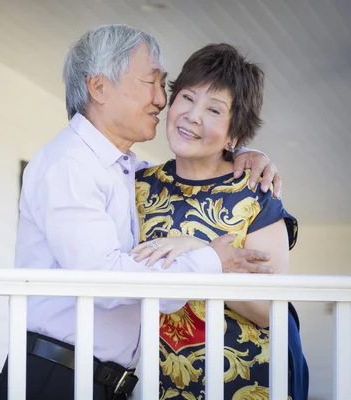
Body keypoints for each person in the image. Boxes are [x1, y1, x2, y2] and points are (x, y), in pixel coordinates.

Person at [0, 25, 282, 400]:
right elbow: (105, 279)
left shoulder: (129, 171)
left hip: (123, 382)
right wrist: (209, 258)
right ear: (99, 88)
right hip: (61, 376)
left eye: (163, 85)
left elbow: (273, 306)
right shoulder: (70, 165)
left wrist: (246, 155)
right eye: (153, 82)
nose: (161, 100)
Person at [132, 43, 309, 399]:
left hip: (243, 385)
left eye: (214, 109)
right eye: (187, 98)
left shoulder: (257, 194)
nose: (193, 116)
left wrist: (201, 251)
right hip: (156, 384)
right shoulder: (137, 186)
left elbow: (266, 311)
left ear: (234, 135)